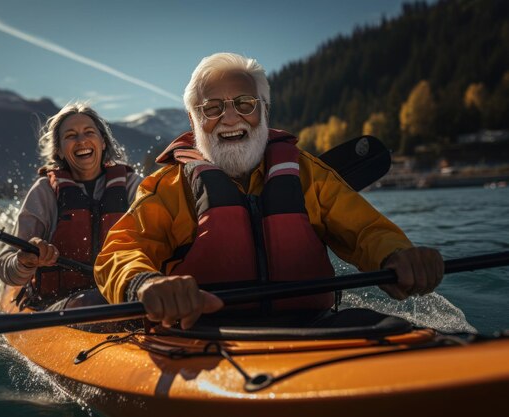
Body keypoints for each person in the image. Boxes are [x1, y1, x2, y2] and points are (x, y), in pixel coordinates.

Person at [94, 52, 444, 329]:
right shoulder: (167, 188)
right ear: (193, 121)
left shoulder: (309, 174)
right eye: (212, 108)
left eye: (244, 103)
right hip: (201, 332)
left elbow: (367, 230)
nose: (230, 118)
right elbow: (120, 252)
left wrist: (396, 254)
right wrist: (144, 283)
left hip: (313, 325)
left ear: (265, 110)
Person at [0, 102, 142, 310]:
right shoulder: (44, 191)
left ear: (103, 143)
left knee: (103, 299)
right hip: (58, 305)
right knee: (92, 301)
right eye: (70, 136)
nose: (81, 140)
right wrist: (25, 260)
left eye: (89, 132)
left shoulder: (132, 186)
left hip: (123, 297)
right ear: (60, 151)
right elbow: (6, 266)